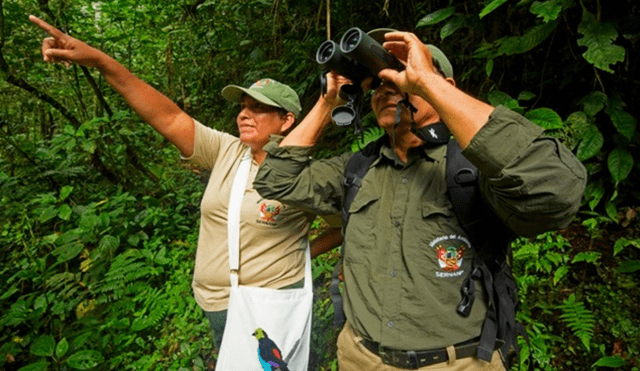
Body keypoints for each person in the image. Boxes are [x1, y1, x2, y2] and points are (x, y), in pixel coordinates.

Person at [254, 29, 587, 370]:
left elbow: (558, 189)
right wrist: (327, 103)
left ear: (445, 87)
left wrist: (427, 82)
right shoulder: (358, 169)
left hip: (456, 362)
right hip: (361, 358)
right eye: (377, 83)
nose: (386, 87)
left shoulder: (472, 169)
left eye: (399, 76)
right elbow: (276, 180)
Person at [28, 15, 343, 353]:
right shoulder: (225, 150)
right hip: (217, 305)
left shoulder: (307, 176)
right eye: (242, 107)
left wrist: (301, 257)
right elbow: (168, 116)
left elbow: (341, 227)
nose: (243, 114)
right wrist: (100, 61)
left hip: (271, 306)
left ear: (287, 119)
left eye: (259, 108)